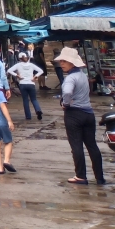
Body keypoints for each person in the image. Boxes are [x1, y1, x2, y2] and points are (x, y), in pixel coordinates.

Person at [55, 46, 105, 185]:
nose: (62, 63)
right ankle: (99, 177)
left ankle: (81, 176)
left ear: (72, 62)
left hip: (74, 114)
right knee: (92, 145)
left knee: (76, 145)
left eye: (65, 61)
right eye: (61, 61)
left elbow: (67, 92)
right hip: (88, 113)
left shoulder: (70, 78)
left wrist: (65, 103)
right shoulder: (83, 75)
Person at [7, 52, 44, 120]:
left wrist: (17, 75)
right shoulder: (31, 65)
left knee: (25, 100)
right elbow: (41, 71)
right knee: (34, 99)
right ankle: (38, 110)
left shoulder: (18, 65)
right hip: (31, 83)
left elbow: (9, 70)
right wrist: (35, 77)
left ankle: (28, 116)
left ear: (19, 58)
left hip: (22, 84)